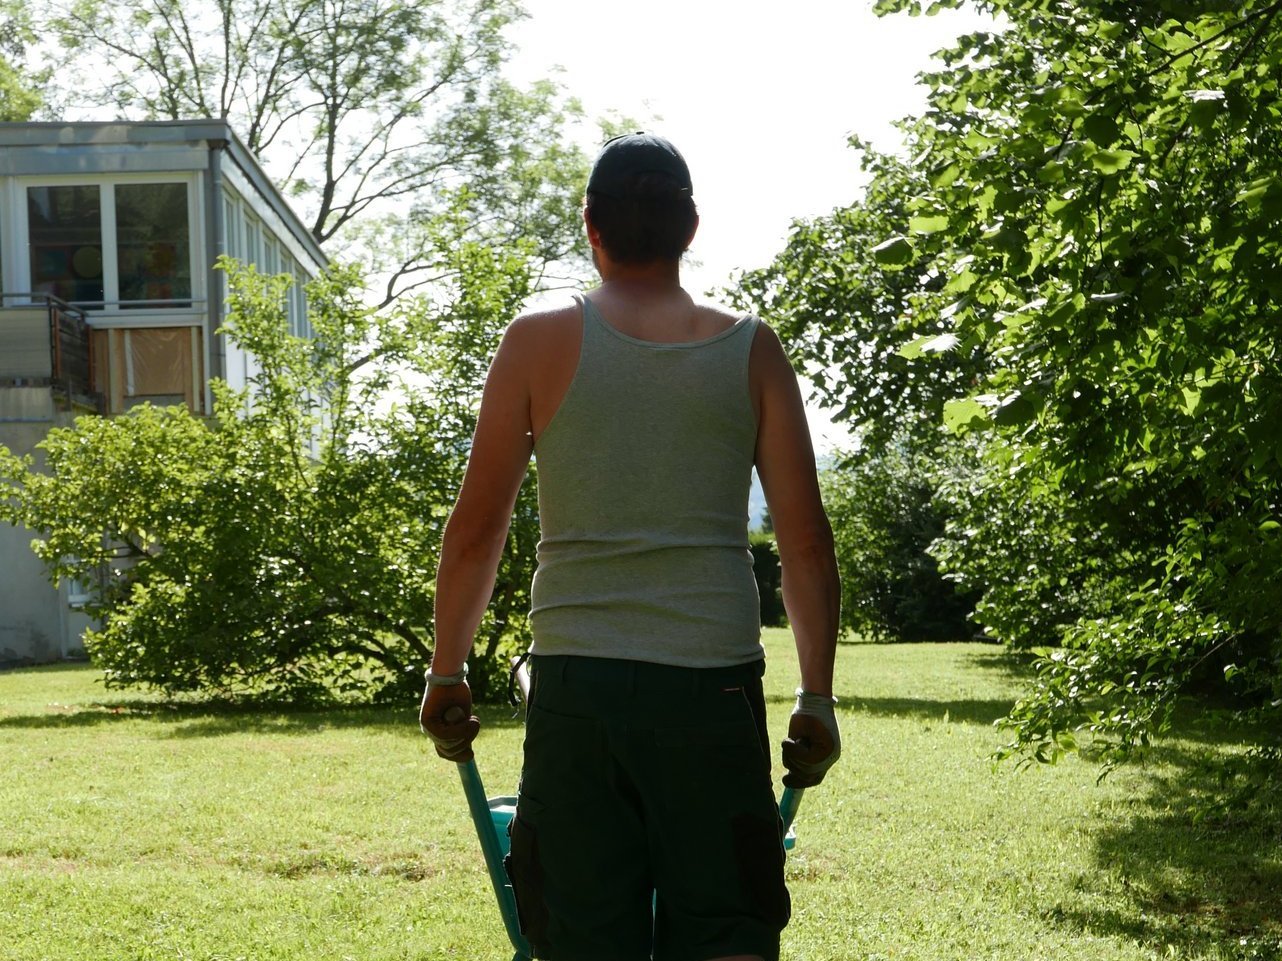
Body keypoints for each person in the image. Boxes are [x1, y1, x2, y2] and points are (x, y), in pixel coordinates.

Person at [420, 132, 841, 961]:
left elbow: (476, 531)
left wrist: (445, 670)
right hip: (712, 692)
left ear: (591, 227)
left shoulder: (534, 340)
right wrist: (817, 699)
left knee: (581, 940)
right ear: (690, 226)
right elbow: (806, 545)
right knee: (729, 928)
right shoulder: (752, 349)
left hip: (579, 693)